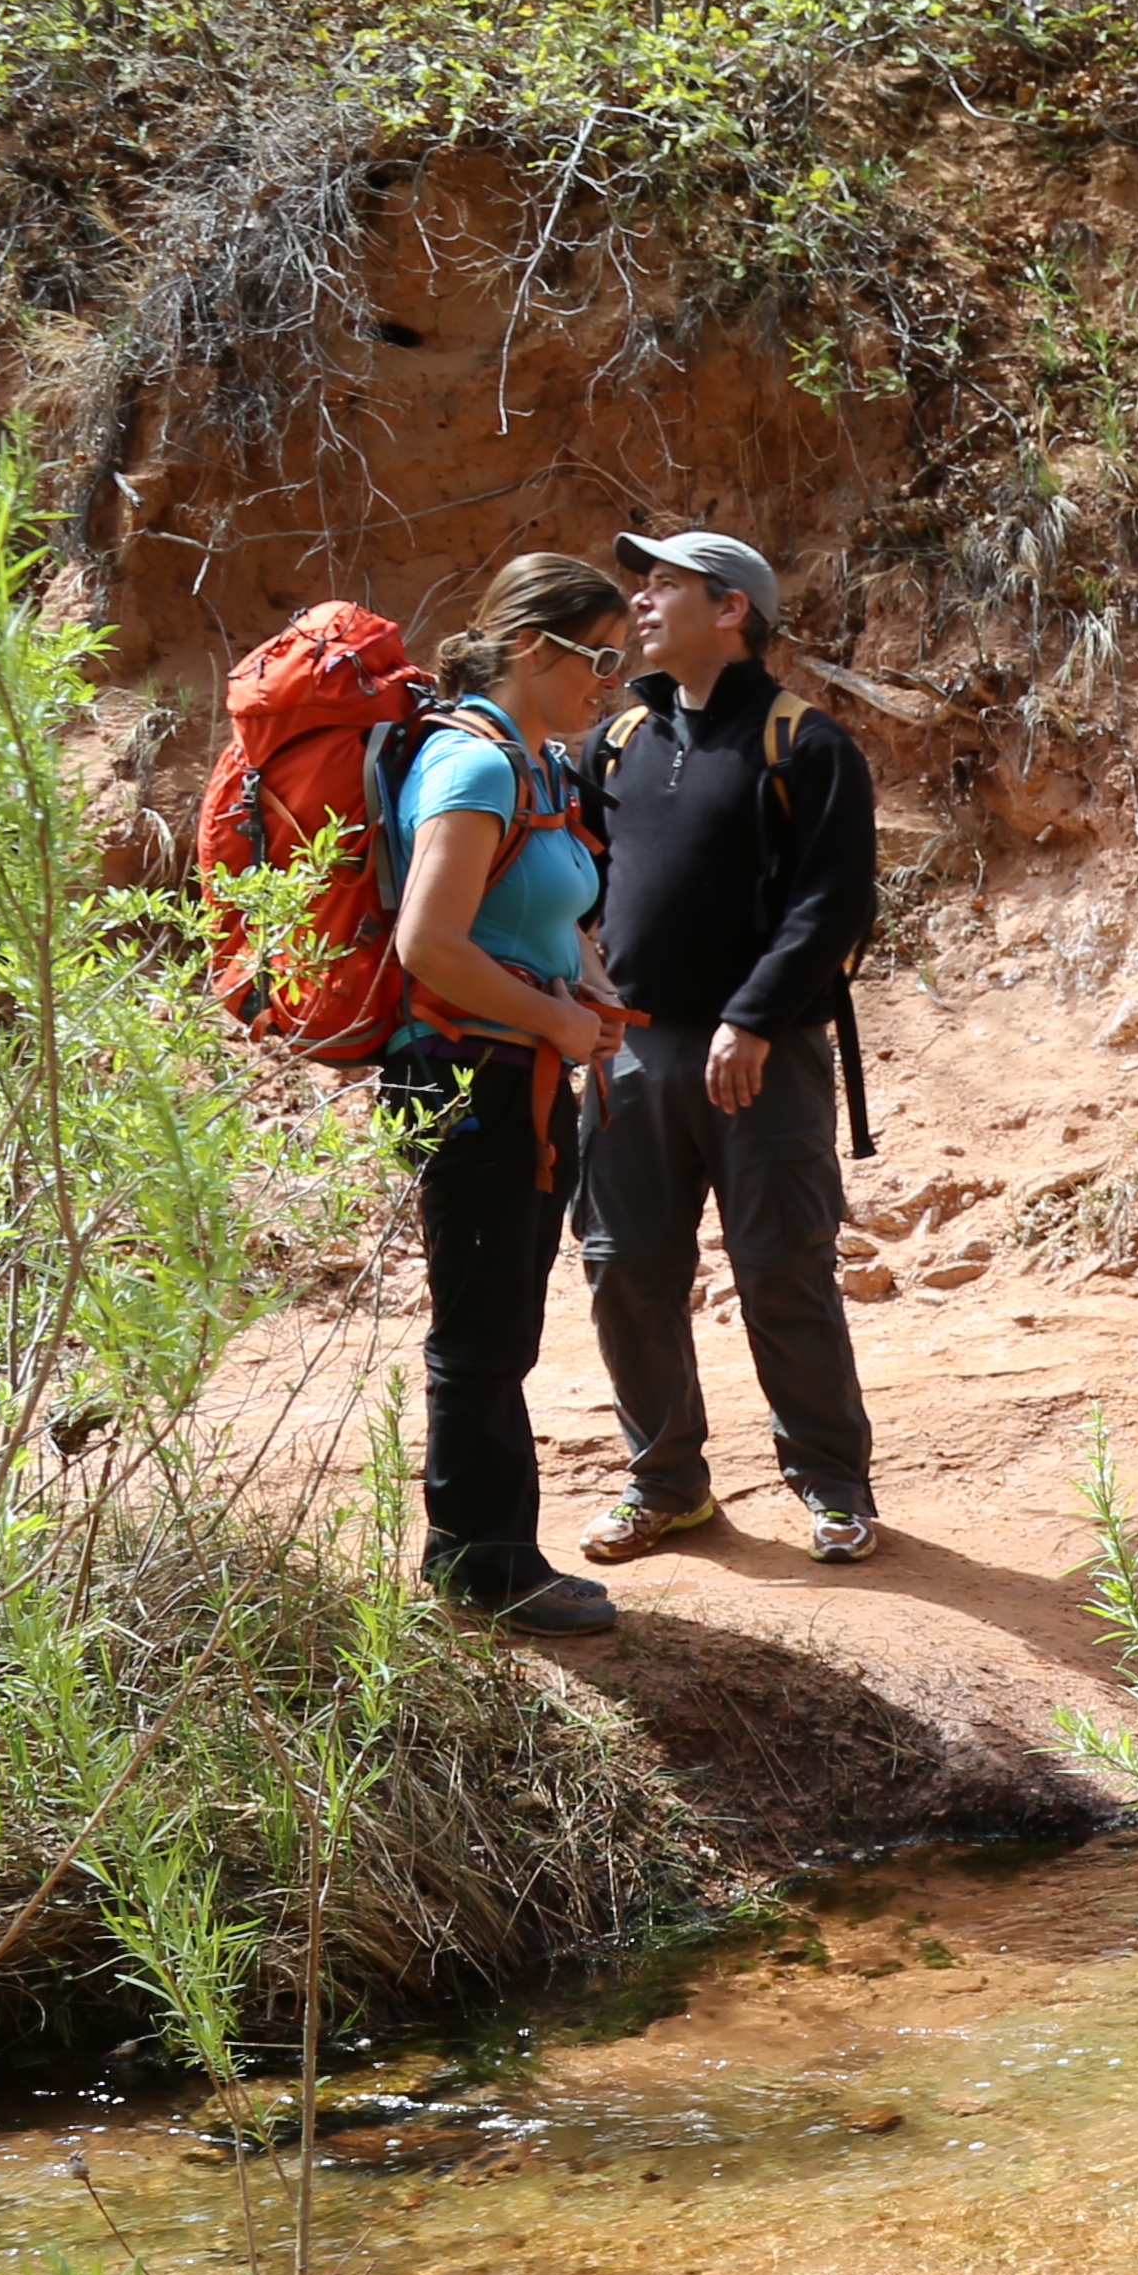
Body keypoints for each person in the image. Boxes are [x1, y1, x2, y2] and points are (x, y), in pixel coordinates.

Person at [572, 524, 885, 1568]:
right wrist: (581, 979)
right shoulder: (616, 744)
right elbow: (579, 877)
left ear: (732, 609)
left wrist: (750, 1018)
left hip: (765, 1056)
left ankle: (834, 1485)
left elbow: (835, 906)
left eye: (666, 585)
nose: (643, 602)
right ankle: (665, 1484)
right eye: (641, 585)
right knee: (625, 1269)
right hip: (631, 1057)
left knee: (781, 1272)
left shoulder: (806, 745)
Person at [378, 552, 633, 1638]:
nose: (611, 681)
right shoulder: (474, 766)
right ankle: (486, 1570)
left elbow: (528, 909)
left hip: (515, 1071)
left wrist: (586, 978)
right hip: (469, 1080)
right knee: (481, 1331)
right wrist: (557, 1020)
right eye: (599, 656)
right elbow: (429, 942)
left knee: (503, 1323)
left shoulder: (534, 763)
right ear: (535, 647)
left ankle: (486, 1555)